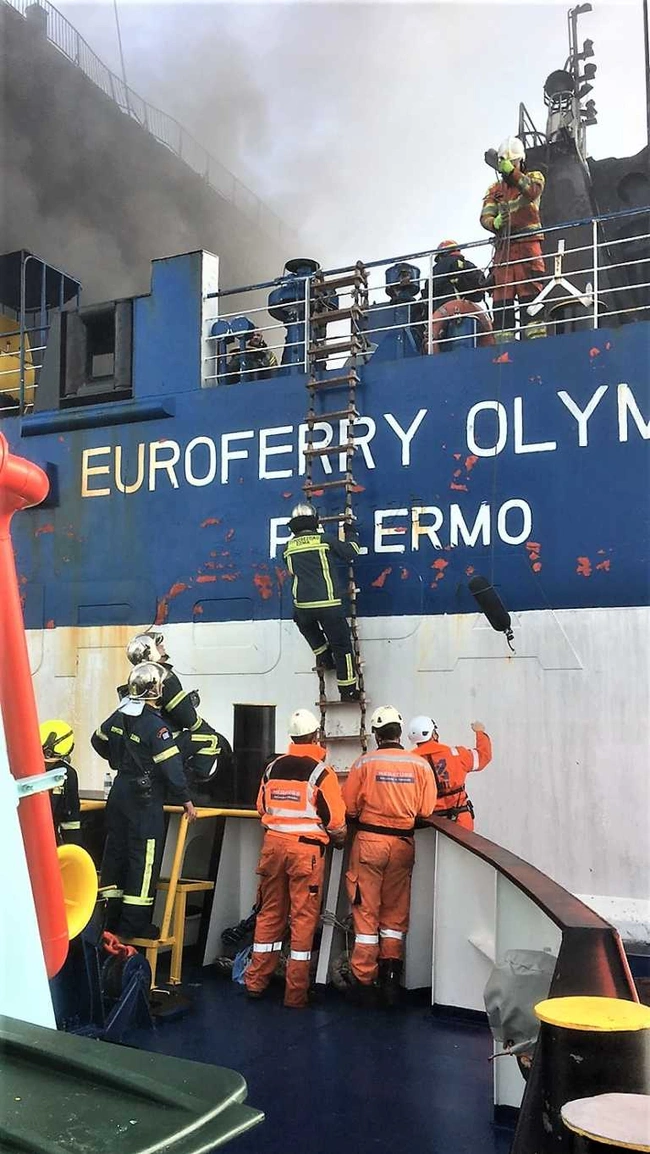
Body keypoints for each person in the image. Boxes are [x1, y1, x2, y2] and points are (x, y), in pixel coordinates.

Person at [244, 708, 347, 1009]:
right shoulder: (321, 773)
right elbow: (336, 821)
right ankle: (295, 994)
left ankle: (255, 982)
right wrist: (339, 838)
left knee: (269, 914)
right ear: (315, 736)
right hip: (305, 853)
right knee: (303, 918)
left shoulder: (272, 768)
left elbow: (262, 808)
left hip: (273, 847)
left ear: (292, 737)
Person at [91, 661, 197, 940]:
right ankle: (134, 924)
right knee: (144, 858)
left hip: (119, 792)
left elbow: (97, 740)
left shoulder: (118, 716)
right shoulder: (156, 726)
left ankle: (108, 920)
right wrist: (186, 799)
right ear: (156, 691)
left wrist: (119, 760)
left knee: (115, 853)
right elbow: (171, 766)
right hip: (144, 799)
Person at [342, 706, 437, 1006]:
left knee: (366, 911)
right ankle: (392, 979)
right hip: (403, 843)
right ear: (399, 732)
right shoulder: (419, 765)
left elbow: (349, 807)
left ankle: (364, 982)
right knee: (395, 913)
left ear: (376, 734)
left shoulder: (364, 763)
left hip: (369, 843)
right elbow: (426, 810)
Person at [284, 503, 362, 701]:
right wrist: (351, 531)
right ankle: (348, 691)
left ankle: (324, 657)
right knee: (342, 646)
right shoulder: (323, 540)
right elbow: (351, 551)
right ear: (314, 520)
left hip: (302, 608)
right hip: (328, 605)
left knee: (306, 626)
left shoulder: (287, 548)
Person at [480, 136, 546, 341]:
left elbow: (532, 191)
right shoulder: (494, 190)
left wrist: (512, 173)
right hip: (504, 251)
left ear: (521, 161)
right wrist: (495, 223)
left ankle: (536, 338)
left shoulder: (534, 177)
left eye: (514, 162)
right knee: (502, 295)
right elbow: (485, 217)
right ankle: (504, 341)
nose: (510, 166)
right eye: (507, 164)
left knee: (531, 290)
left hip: (528, 246)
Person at [406, 715, 492, 830]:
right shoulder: (457, 754)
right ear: (433, 734)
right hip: (460, 822)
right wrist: (480, 733)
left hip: (428, 825)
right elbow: (483, 756)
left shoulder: (408, 762)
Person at [40, 719, 82, 845]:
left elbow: (71, 822)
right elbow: (71, 820)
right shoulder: (67, 774)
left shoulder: (17, 767)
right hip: (47, 840)